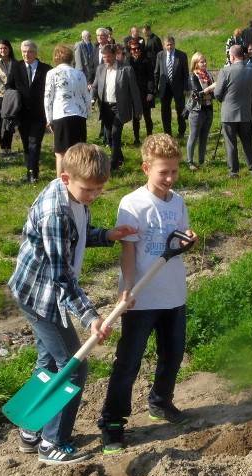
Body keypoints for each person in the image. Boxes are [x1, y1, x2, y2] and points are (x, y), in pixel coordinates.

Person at [8, 142, 136, 465]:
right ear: (66, 179)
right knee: (73, 367)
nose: (93, 195)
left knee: (50, 363)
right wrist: (90, 316)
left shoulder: (75, 196)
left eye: (99, 190)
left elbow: (78, 233)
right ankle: (53, 443)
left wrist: (106, 235)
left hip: (38, 290)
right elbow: (61, 278)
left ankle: (30, 428)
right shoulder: (55, 211)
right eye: (88, 189)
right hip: (41, 296)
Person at [97, 133, 198, 453]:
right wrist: (126, 288)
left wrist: (188, 242)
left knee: (173, 354)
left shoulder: (178, 202)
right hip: (141, 297)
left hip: (173, 293)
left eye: (174, 171)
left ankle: (160, 402)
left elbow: (179, 241)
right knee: (128, 361)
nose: (170, 178)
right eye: (163, 172)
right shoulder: (132, 203)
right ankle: (113, 422)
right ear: (146, 168)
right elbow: (128, 252)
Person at [91, 44, 144, 171]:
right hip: (105, 107)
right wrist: (92, 98)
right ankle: (119, 156)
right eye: (104, 57)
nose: (106, 60)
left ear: (115, 55)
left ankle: (114, 163)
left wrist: (138, 110)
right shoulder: (100, 69)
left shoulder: (126, 69)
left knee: (115, 134)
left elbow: (134, 91)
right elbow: (95, 86)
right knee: (108, 136)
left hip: (119, 107)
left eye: (108, 57)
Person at [5, 40, 51, 183]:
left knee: (34, 142)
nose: (26, 54)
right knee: (26, 143)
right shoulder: (16, 67)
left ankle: (33, 173)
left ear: (35, 53)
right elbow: (9, 85)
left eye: (29, 51)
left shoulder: (46, 69)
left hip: (39, 113)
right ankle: (29, 169)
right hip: (22, 113)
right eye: (24, 51)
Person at [44, 45, 90, 178]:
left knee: (60, 153)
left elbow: (48, 98)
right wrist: (87, 114)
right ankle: (80, 181)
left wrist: (49, 119)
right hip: (79, 116)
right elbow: (86, 96)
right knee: (79, 153)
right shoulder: (79, 74)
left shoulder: (52, 73)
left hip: (62, 114)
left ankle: (60, 183)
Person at [213, 45, 252, 178]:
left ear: (232, 57)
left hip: (229, 113)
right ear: (242, 56)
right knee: (247, 141)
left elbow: (217, 93)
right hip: (245, 112)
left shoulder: (225, 72)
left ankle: (233, 171)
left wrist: (225, 101)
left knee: (230, 143)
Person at [154, 36, 189, 138]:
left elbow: (186, 73)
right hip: (165, 87)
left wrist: (185, 88)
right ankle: (167, 133)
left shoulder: (181, 55)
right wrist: (155, 88)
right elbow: (156, 72)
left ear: (174, 44)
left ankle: (181, 132)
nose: (169, 47)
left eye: (171, 44)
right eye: (167, 45)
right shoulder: (160, 55)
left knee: (180, 110)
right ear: (164, 45)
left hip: (178, 86)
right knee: (165, 111)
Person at [186, 51, 214, 170]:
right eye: (202, 61)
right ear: (196, 63)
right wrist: (211, 88)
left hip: (208, 109)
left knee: (204, 137)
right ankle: (190, 161)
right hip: (197, 111)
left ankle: (201, 160)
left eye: (205, 61)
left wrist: (207, 94)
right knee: (193, 137)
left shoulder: (209, 75)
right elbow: (197, 95)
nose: (205, 63)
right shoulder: (193, 76)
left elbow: (215, 95)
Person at [125, 36, 155, 144]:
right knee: (136, 117)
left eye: (138, 48)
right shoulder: (128, 62)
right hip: (134, 93)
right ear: (130, 50)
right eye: (133, 49)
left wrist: (150, 92)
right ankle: (136, 139)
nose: (136, 50)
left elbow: (151, 77)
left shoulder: (146, 60)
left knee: (147, 116)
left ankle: (149, 137)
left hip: (145, 92)